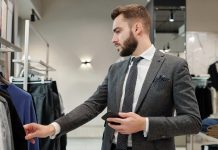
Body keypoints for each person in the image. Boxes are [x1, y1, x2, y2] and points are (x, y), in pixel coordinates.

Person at [24, 4, 201, 150]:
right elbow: (91, 106)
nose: (113, 39)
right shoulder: (115, 69)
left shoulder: (174, 66)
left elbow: (192, 121)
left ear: (137, 28)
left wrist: (145, 124)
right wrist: (51, 128)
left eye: (117, 31)